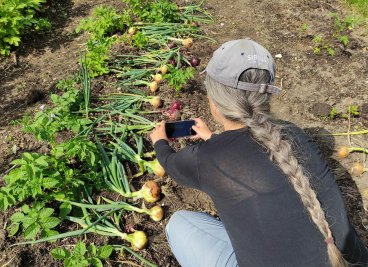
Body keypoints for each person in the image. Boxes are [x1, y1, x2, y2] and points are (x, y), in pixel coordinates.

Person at [149, 39, 368, 267]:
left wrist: (160, 142)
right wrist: (214, 139)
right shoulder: (294, 134)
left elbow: (170, 164)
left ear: (213, 101)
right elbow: (254, 157)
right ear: (266, 96)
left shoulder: (207, 158)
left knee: (180, 223)